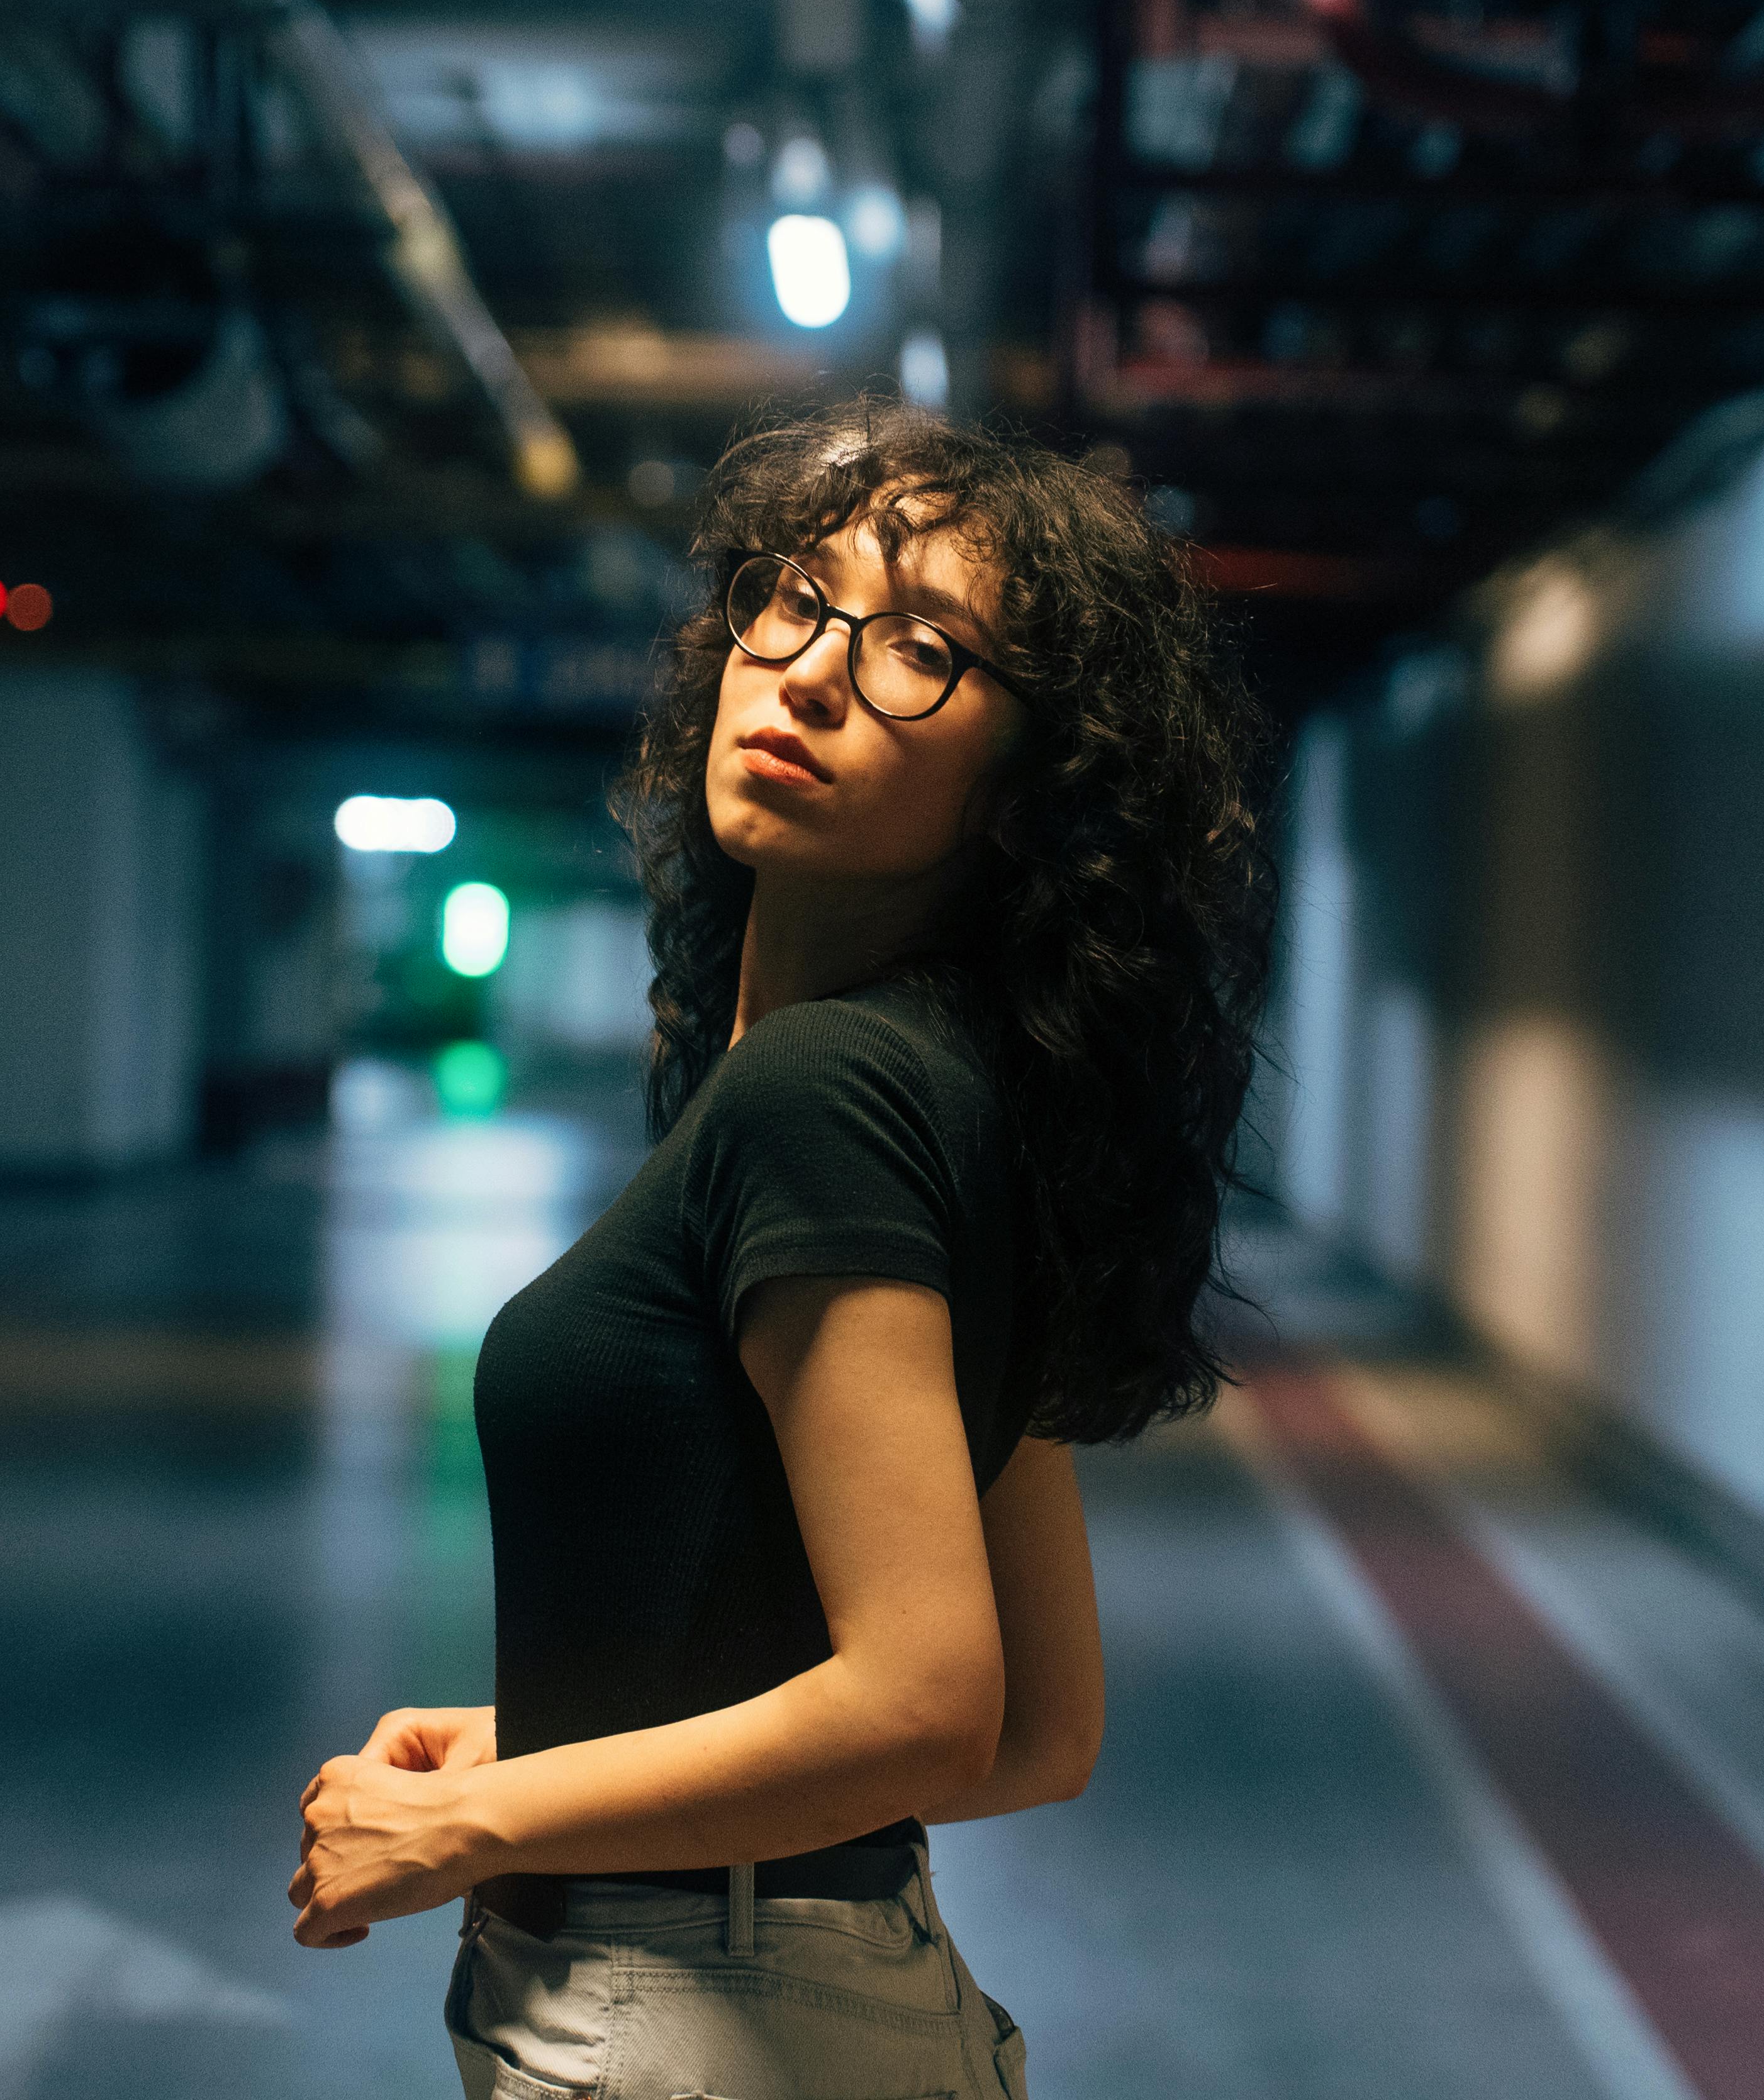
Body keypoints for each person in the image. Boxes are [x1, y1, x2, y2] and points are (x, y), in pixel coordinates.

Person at [289, 401, 1273, 2100]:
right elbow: (1044, 1729)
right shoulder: (940, 1092)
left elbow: (928, 1706)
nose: (815, 672)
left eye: (925, 654)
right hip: (810, 2008)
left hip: (697, 2026)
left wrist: (476, 1816)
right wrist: (548, 1747)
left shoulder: (833, 1095)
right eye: (797, 601)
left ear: (1032, 789)